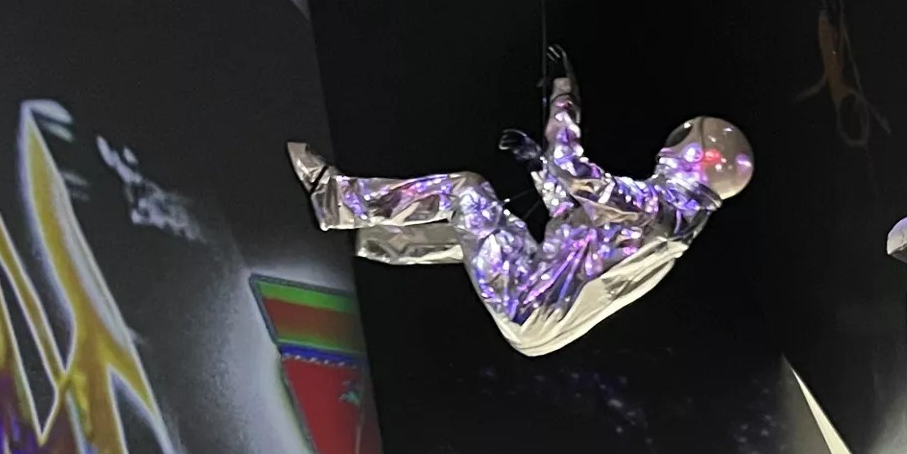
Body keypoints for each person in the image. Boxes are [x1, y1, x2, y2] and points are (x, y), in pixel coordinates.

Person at [289, 55, 753, 357]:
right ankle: (370, 240)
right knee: (487, 230)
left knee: (467, 191)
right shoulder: (674, 224)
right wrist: (537, 164)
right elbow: (574, 221)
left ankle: (337, 201)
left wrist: (564, 98)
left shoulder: (658, 209)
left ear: (696, 157)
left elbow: (574, 169)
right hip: (538, 316)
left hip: (530, 303)